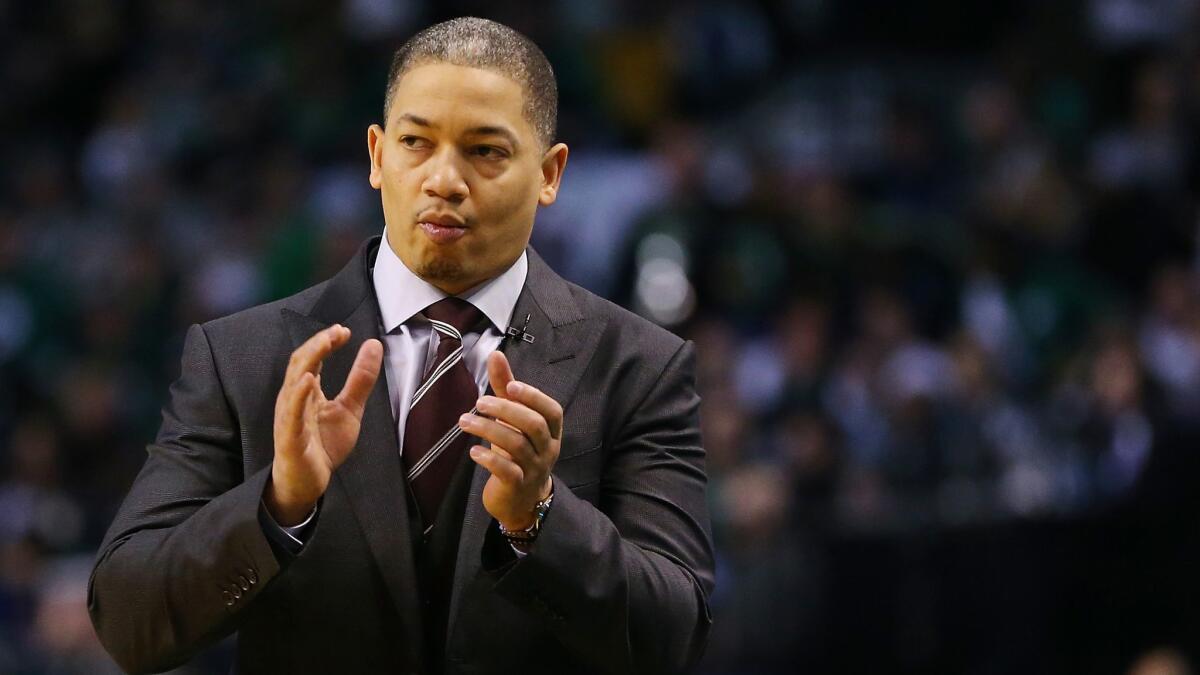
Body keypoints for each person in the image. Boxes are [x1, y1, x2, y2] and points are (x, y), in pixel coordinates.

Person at [87, 16, 714, 675]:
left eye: (486, 152)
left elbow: (674, 636)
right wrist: (277, 504)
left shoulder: (641, 366)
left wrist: (540, 522)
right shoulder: (241, 357)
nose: (445, 179)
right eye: (416, 142)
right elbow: (129, 621)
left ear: (550, 173)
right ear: (378, 157)